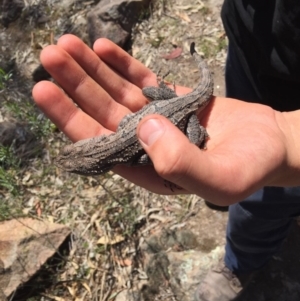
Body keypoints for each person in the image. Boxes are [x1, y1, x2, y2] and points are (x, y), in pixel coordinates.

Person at [32, 1, 300, 300]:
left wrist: (288, 138)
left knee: (262, 199)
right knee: (151, 93)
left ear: (99, 166)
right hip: (251, 28)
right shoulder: (121, 143)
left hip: (188, 109)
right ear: (92, 146)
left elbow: (149, 154)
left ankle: (246, 259)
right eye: (80, 152)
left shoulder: (130, 157)